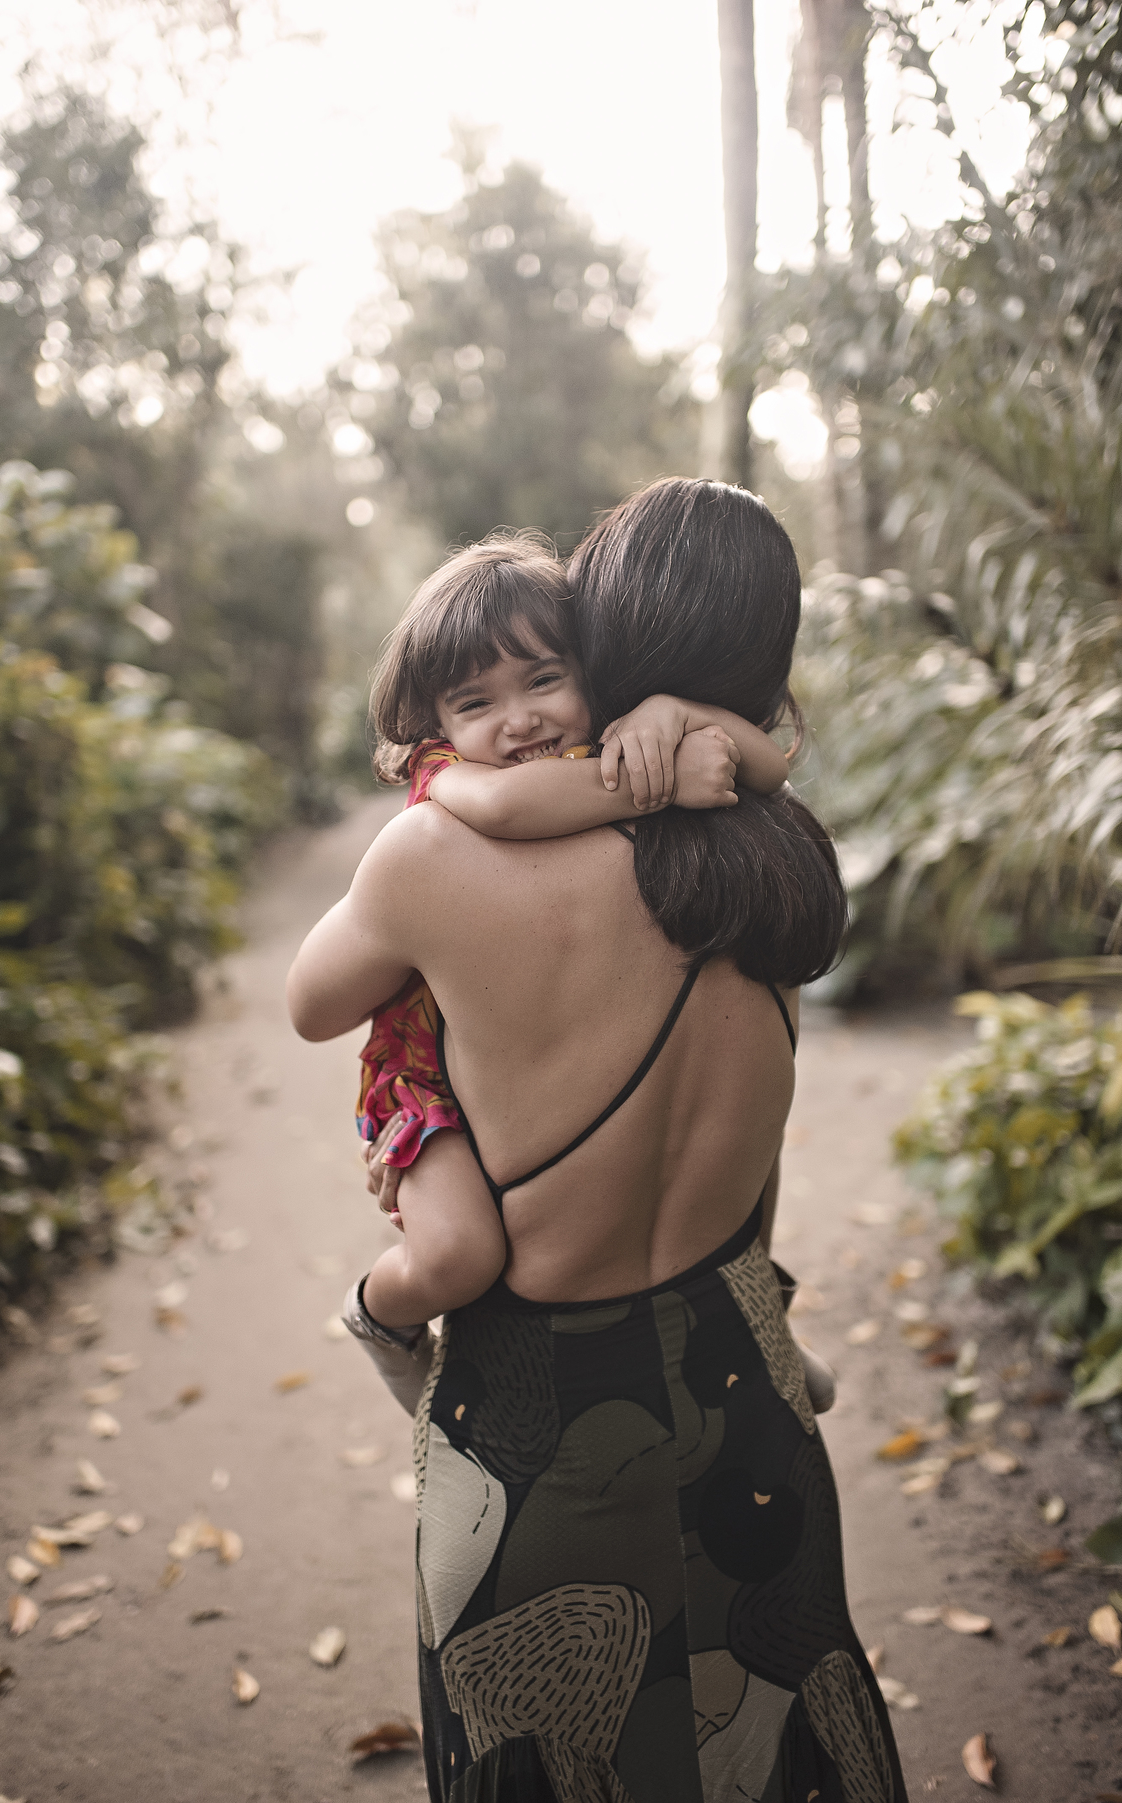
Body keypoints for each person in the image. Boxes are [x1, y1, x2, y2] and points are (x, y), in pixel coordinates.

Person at [287, 480, 905, 1803]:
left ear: (605, 652)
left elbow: (313, 1002)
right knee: (776, 1745)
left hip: (538, 1408)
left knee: (551, 1763)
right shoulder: (777, 865)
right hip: (745, 1374)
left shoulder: (428, 860)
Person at [337, 537, 789, 1398]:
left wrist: (680, 714)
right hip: (422, 1070)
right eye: (477, 701)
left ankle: (763, 1303)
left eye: (545, 680)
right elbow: (509, 807)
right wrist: (661, 782)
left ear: (591, 672)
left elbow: (773, 771)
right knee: (461, 1253)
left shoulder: (613, 741)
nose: (520, 721)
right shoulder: (456, 776)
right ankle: (380, 1314)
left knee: (741, 1134)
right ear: (437, 723)